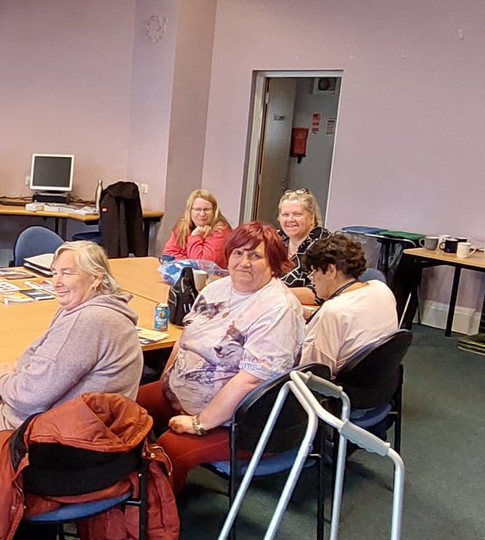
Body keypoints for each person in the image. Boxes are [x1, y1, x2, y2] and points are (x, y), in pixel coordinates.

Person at [0, 241, 144, 495]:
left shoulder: (87, 321)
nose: (56, 281)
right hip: (99, 434)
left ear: (95, 278)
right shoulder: (100, 309)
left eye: (67, 273)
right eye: (54, 272)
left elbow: (28, 398)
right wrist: (17, 369)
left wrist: (3, 377)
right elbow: (40, 355)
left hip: (66, 446)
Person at [137, 222, 305, 495]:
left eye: (255, 256)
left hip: (236, 421)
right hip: (185, 394)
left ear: (273, 263)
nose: (244, 262)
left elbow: (251, 381)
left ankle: (158, 525)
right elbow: (185, 338)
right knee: (125, 409)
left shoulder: (277, 309)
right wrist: (167, 380)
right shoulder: (217, 288)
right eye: (238, 253)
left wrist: (199, 422)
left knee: (170, 451)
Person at [300, 234, 398, 372]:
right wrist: (310, 313)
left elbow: (311, 372)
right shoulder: (382, 289)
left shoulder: (332, 312)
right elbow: (357, 319)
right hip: (378, 379)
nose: (313, 280)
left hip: (336, 387)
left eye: (313, 272)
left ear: (330, 270)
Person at [277, 189, 332, 299]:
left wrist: (274, 294)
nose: (290, 220)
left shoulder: (324, 245)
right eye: (285, 215)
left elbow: (320, 293)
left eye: (297, 214)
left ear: (312, 218)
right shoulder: (277, 239)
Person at [161, 189, 232, 265]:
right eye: (197, 209)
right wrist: (190, 261)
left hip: (214, 276)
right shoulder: (183, 227)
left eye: (207, 209)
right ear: (190, 210)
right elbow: (168, 255)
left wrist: (195, 237)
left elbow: (203, 264)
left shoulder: (221, 231)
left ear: (214, 211)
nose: (202, 214)